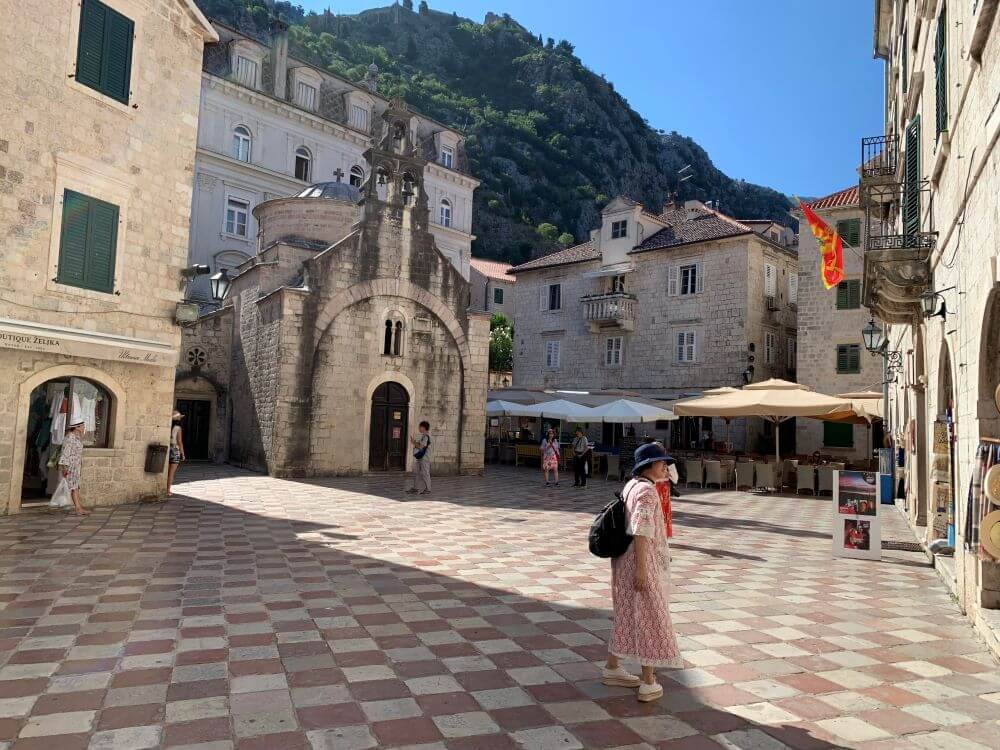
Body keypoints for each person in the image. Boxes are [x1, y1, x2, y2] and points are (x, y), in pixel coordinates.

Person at [604, 442, 682, 702]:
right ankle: (648, 681)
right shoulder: (648, 492)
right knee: (649, 616)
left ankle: (613, 667)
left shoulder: (631, 485)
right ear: (649, 465)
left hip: (622, 560)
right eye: (661, 462)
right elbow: (641, 529)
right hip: (640, 562)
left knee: (627, 612)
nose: (665, 466)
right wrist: (642, 569)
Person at [58, 420, 90, 516]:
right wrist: (65, 468)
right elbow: (65, 453)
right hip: (71, 466)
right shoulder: (70, 438)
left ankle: (79, 507)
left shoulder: (76, 437)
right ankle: (78, 508)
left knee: (75, 487)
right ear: (77, 427)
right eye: (82, 426)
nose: (84, 428)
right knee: (74, 487)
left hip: (76, 466)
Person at [407, 421, 432, 495]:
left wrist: (414, 443)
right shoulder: (424, 436)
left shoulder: (426, 436)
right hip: (420, 458)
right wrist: (414, 442)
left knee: (425, 473)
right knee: (416, 473)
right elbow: (420, 445)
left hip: (424, 458)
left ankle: (428, 489)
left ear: (423, 427)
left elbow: (421, 447)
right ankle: (415, 489)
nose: (419, 428)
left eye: (419, 427)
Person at [167, 411, 186, 497]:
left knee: (166, 471)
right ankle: (168, 490)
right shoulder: (178, 428)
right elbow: (179, 441)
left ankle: (165, 489)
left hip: (168, 448)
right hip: (175, 449)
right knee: (171, 472)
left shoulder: (168, 427)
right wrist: (182, 453)